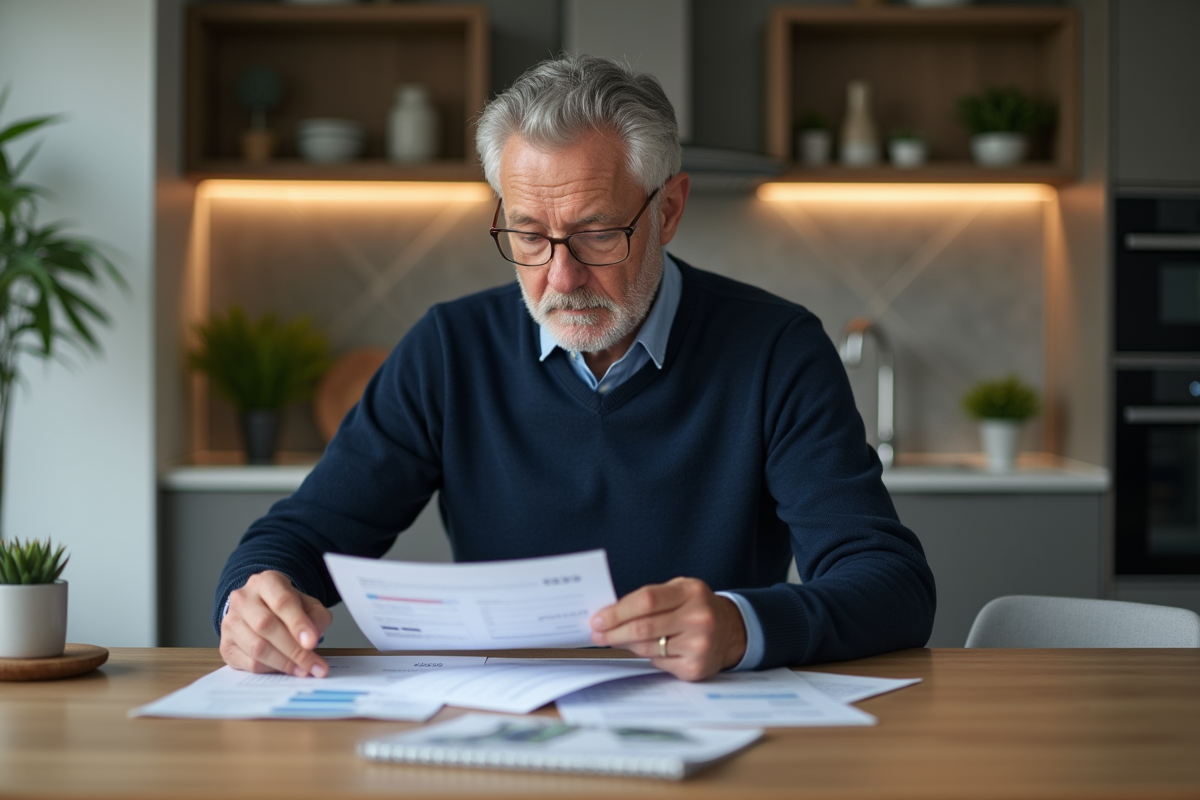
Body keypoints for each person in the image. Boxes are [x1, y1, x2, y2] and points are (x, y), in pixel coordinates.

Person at [213, 54, 936, 683]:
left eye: (596, 235)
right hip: (505, 728)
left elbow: (893, 586)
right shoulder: (447, 348)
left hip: (713, 723)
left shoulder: (777, 349)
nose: (560, 278)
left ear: (670, 209)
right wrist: (254, 598)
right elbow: (295, 539)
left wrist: (741, 625)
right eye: (528, 235)